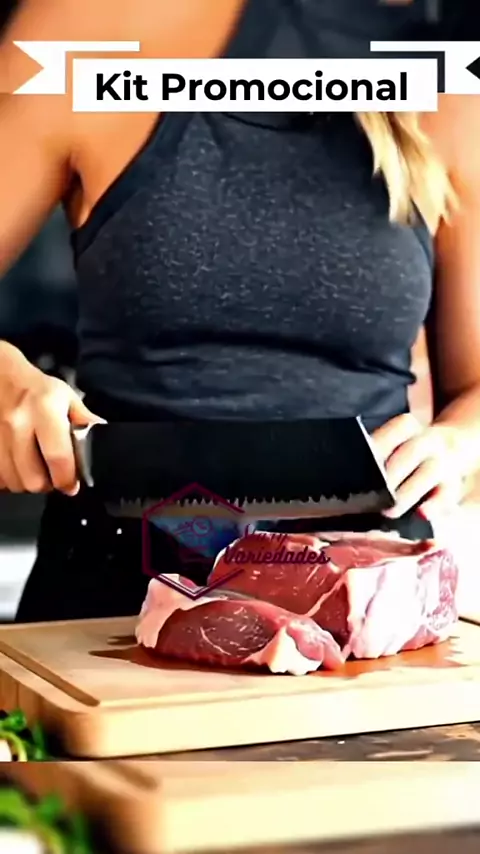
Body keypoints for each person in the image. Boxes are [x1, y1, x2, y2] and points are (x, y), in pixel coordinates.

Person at [0, 0, 479, 622]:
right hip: (107, 593)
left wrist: (457, 444)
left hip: (362, 603)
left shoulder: (446, 91)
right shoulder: (90, 30)